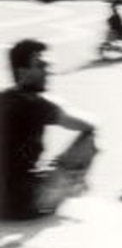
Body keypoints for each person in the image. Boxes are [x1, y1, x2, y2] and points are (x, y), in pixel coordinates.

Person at [0, 39, 97, 220]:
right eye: (40, 66)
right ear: (22, 72)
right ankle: (71, 185)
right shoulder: (36, 103)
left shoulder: (4, 98)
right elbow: (88, 124)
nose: (47, 71)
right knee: (91, 137)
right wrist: (55, 103)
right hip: (26, 202)